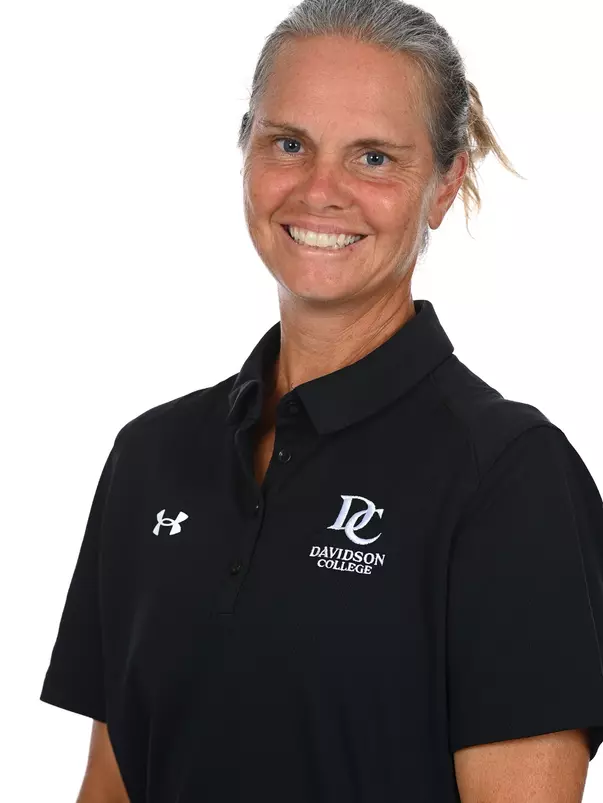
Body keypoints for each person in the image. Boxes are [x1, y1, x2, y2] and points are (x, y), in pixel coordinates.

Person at [40, 1, 603, 801]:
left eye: (373, 156)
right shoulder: (151, 455)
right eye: (289, 143)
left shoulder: (509, 477)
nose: (320, 189)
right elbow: (110, 784)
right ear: (246, 151)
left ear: (444, 186)